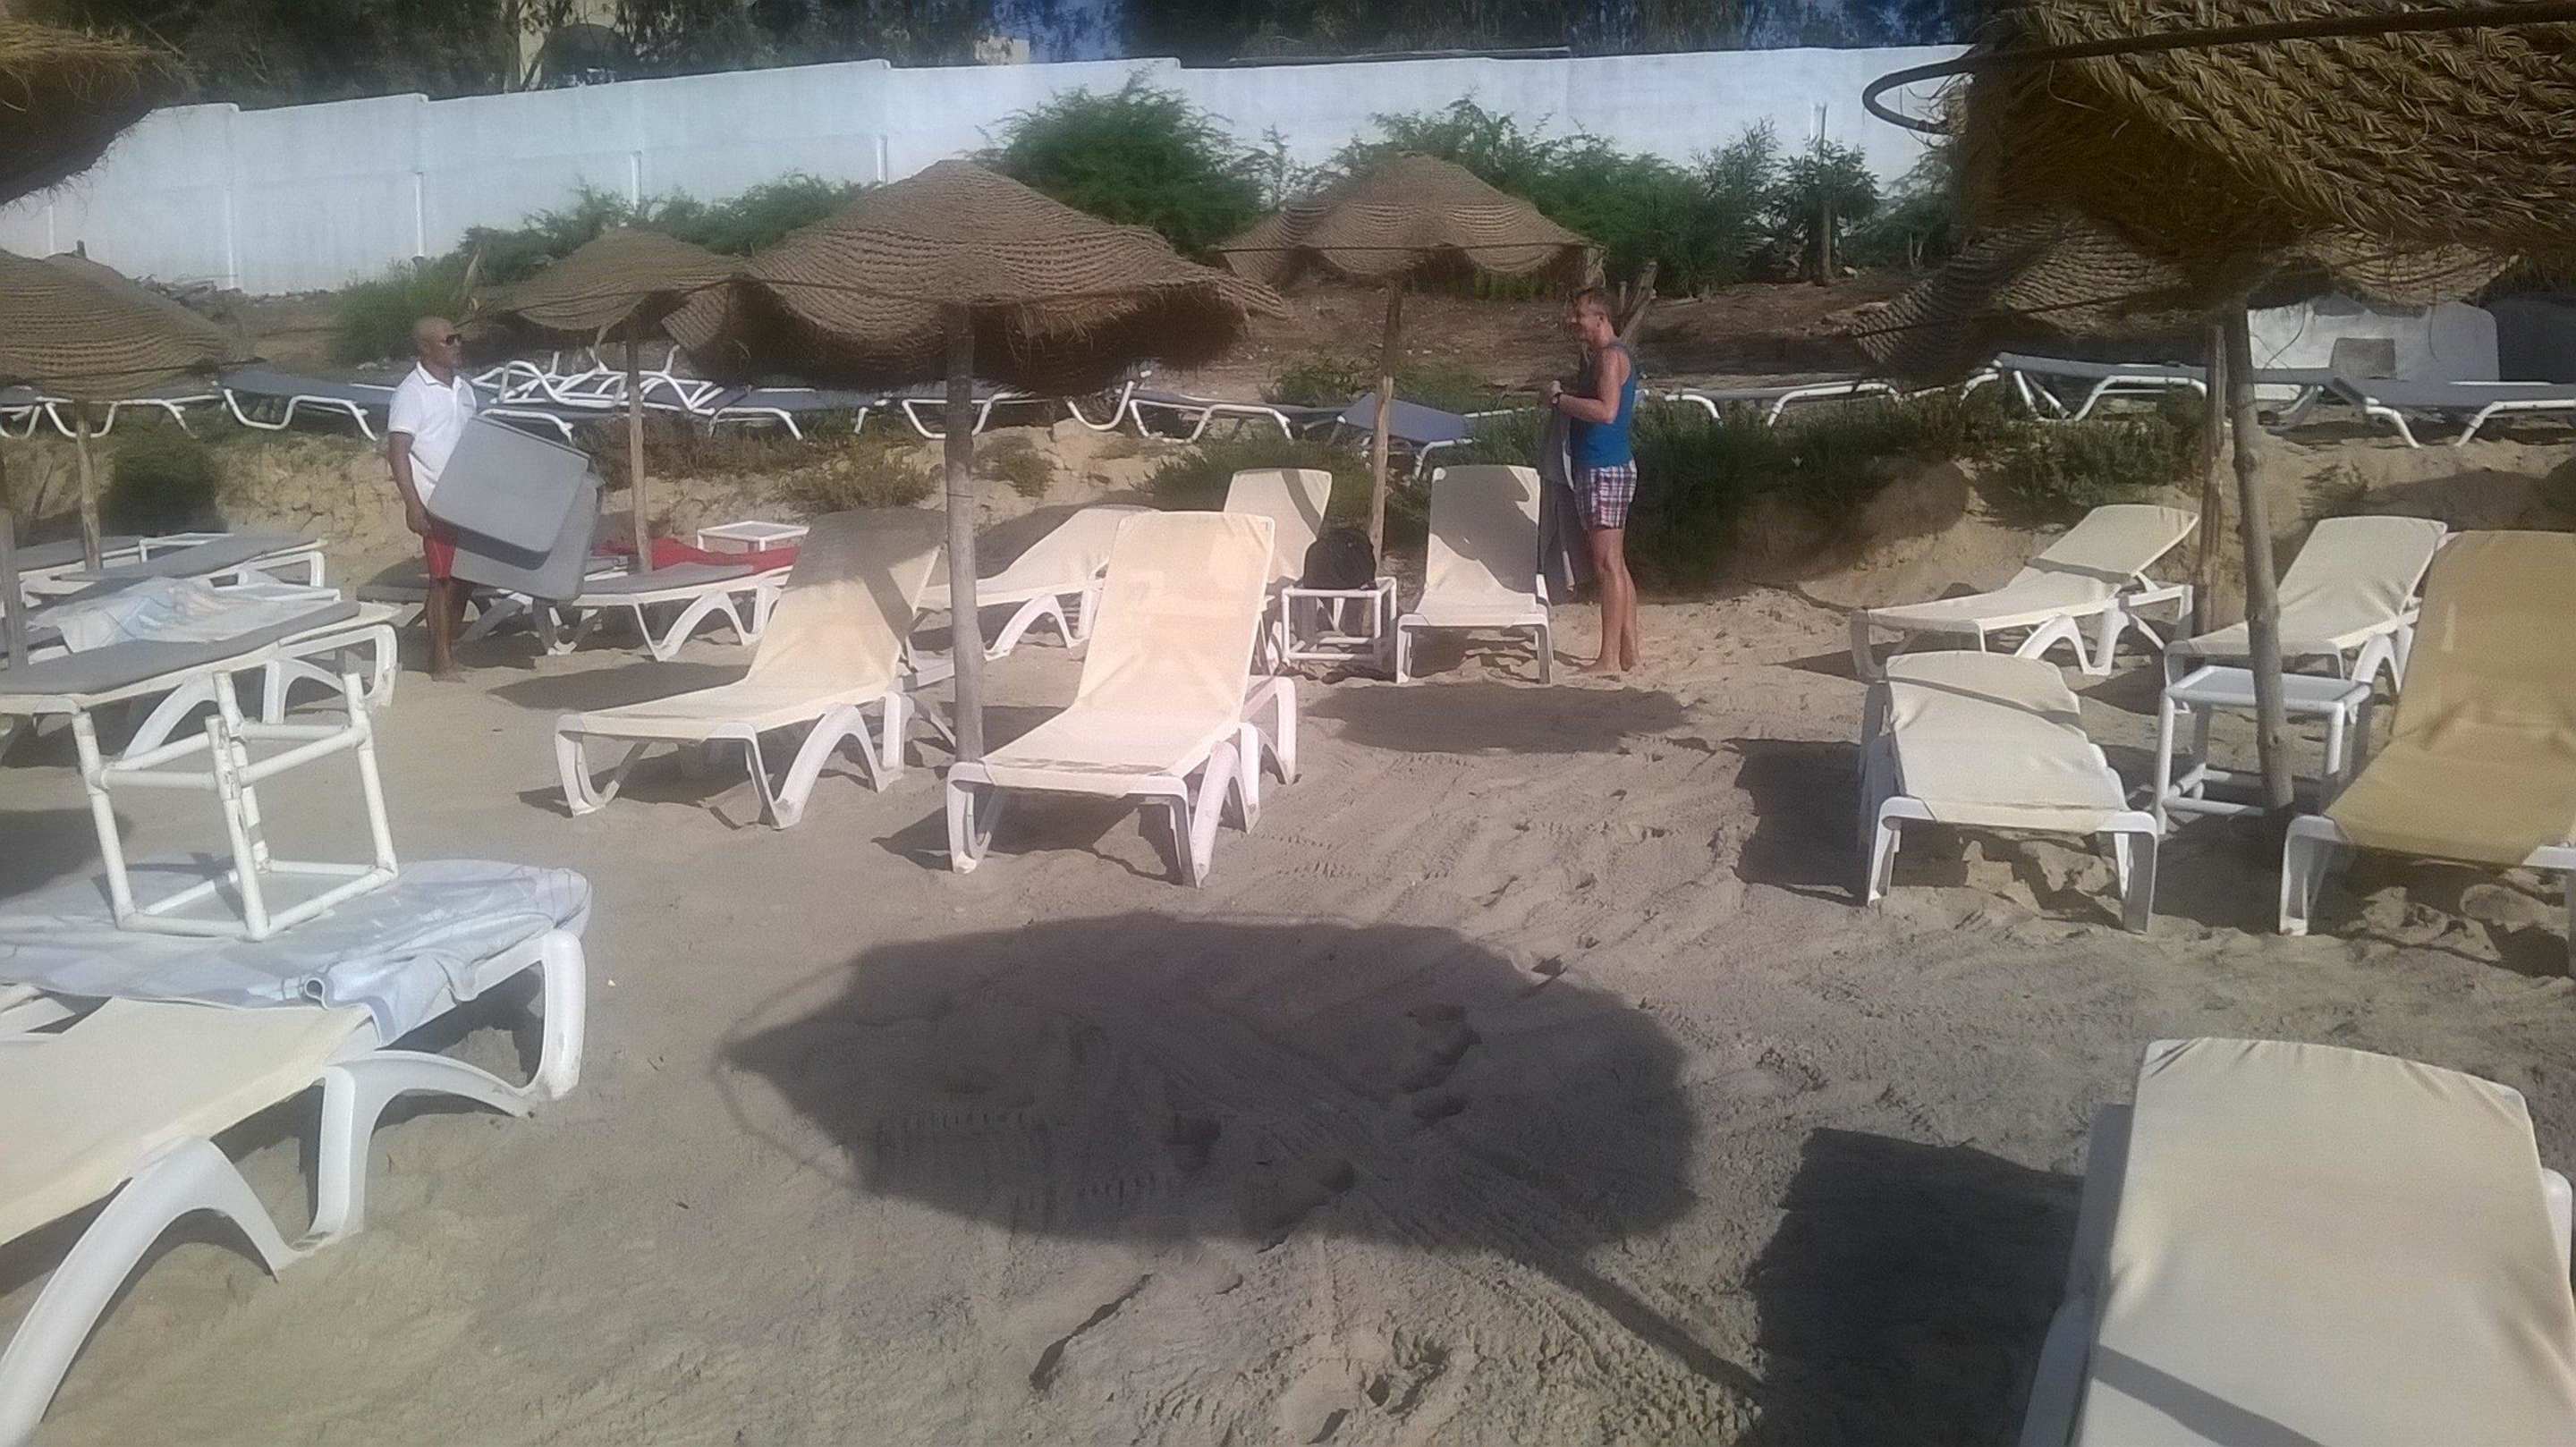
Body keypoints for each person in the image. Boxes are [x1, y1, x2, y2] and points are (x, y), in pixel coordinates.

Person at [1545, 288, 1639, 675]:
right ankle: (1629, 652)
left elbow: (1606, 411)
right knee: (1616, 563)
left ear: (1601, 318)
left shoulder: (1611, 357)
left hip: (1604, 468)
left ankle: (1609, 658)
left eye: (1580, 315)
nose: (1574, 321)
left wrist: (1560, 400)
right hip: (1602, 467)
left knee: (1606, 566)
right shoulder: (1605, 356)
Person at [386, 317, 478, 680]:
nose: (457, 344)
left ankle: (448, 649)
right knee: (442, 580)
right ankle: (439, 659)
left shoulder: (464, 389)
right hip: (435, 500)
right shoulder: (411, 393)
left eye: (458, 338)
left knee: (464, 579)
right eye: (448, 340)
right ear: (425, 348)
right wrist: (413, 505)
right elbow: (398, 451)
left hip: (467, 500)